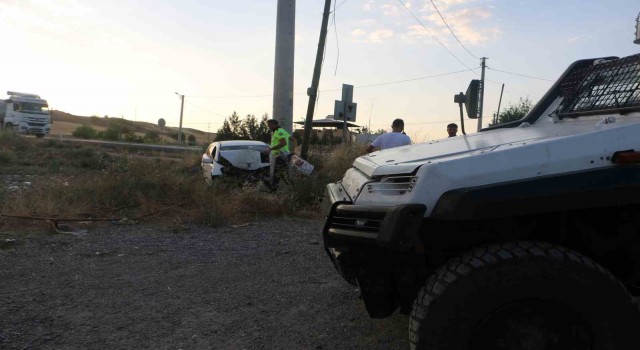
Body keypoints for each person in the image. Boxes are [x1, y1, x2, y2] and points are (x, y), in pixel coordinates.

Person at [263, 119, 291, 189]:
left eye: (269, 125)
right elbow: (293, 139)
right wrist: (291, 151)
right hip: (283, 155)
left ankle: (273, 189)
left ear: (274, 124)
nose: (269, 127)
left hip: (281, 155)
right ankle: (291, 188)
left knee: (278, 173)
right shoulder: (281, 131)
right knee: (281, 173)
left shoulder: (278, 131)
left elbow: (283, 143)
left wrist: (270, 149)